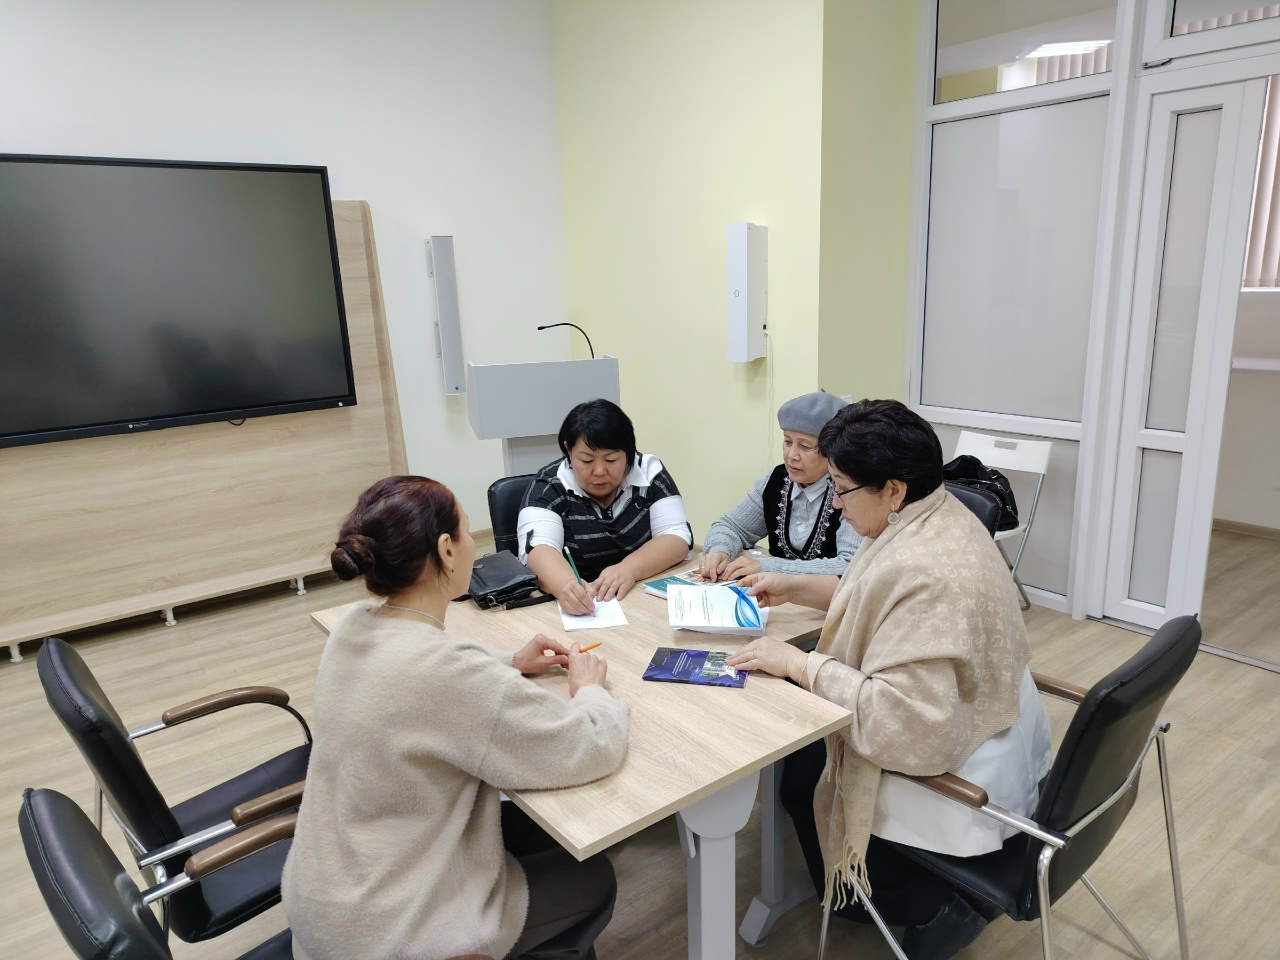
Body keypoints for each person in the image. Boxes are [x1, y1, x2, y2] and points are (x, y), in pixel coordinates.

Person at [725, 400, 1051, 960]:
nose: (835, 502)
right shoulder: (936, 514)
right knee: (801, 763)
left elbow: (899, 722)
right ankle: (879, 889)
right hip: (984, 712)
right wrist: (792, 585)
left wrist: (799, 664)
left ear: (893, 489)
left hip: (958, 763)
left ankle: (926, 905)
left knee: (801, 770)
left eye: (841, 489)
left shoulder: (927, 572)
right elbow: (873, 593)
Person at [282, 476, 629, 960]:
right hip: (386, 934)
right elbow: (590, 747)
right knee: (593, 876)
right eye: (467, 532)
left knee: (530, 830)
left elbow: (425, 672)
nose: (472, 546)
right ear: (446, 550)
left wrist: (509, 662)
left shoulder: (353, 623)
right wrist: (591, 691)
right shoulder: (449, 676)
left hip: (326, 901)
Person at [518, 398, 693, 614]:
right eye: (586, 460)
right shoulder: (549, 485)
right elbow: (536, 549)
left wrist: (629, 569)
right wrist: (566, 585)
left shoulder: (649, 471)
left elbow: (677, 535)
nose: (599, 471)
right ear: (569, 450)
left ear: (628, 453)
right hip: (586, 604)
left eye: (611, 460)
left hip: (641, 594)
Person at [698, 391, 861, 581]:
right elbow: (732, 526)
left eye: (805, 446)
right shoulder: (776, 481)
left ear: (833, 451)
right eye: (787, 442)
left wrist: (767, 566)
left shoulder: (850, 490)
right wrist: (719, 550)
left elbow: (850, 565)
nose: (791, 455)